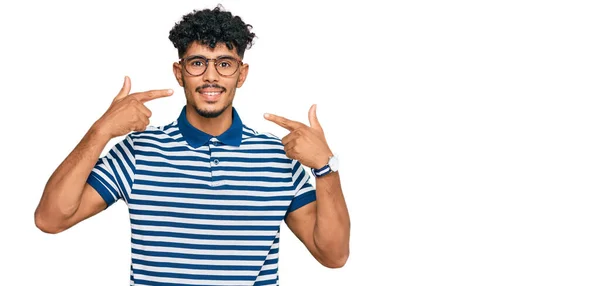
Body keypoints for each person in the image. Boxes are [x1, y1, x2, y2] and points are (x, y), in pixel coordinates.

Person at [33, 5, 350, 285]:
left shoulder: (277, 156)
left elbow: (333, 256)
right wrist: (101, 130)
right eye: (197, 63)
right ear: (179, 72)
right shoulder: (138, 151)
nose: (211, 77)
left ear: (241, 74)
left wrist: (326, 165)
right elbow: (51, 219)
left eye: (225, 64)